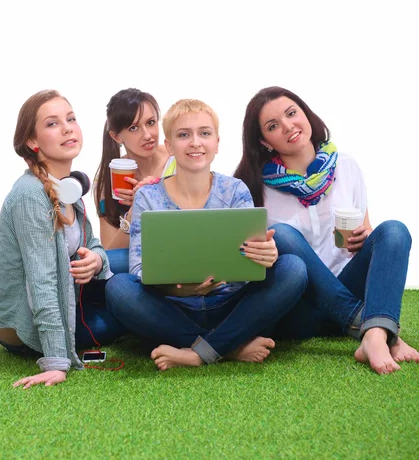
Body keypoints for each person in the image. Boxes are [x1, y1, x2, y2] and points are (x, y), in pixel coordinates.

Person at [105, 99, 364, 371]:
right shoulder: (148, 196)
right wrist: (180, 288)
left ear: (216, 143)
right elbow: (137, 269)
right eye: (183, 135)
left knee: (293, 268)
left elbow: (249, 264)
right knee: (118, 287)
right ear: (169, 145)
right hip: (172, 307)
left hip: (233, 305)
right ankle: (228, 347)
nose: (195, 142)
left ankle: (198, 352)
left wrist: (267, 257)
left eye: (204, 133)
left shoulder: (235, 190)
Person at [235, 85, 419, 375]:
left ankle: (373, 332)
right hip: (298, 309)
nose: (288, 126)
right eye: (273, 126)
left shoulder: (347, 167)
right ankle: (376, 329)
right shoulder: (251, 187)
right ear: (264, 141)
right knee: (282, 235)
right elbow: (245, 263)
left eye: (291, 113)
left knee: (394, 231)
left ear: (305, 113)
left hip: (349, 288)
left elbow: (367, 229)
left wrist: (365, 240)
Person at [0, 90, 124, 389]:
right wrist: (57, 361)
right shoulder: (31, 196)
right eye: (52, 123)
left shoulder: (70, 190)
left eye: (70, 118)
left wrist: (96, 260)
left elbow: (91, 242)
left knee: (132, 270)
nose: (68, 127)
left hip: (67, 292)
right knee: (127, 313)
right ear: (32, 142)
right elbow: (41, 281)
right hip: (24, 325)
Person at [94, 88, 176, 273]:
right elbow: (109, 253)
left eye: (151, 122)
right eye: (133, 128)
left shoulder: (177, 158)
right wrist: (135, 210)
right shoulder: (109, 179)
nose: (147, 135)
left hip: (179, 250)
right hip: (140, 260)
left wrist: (155, 198)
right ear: (116, 136)